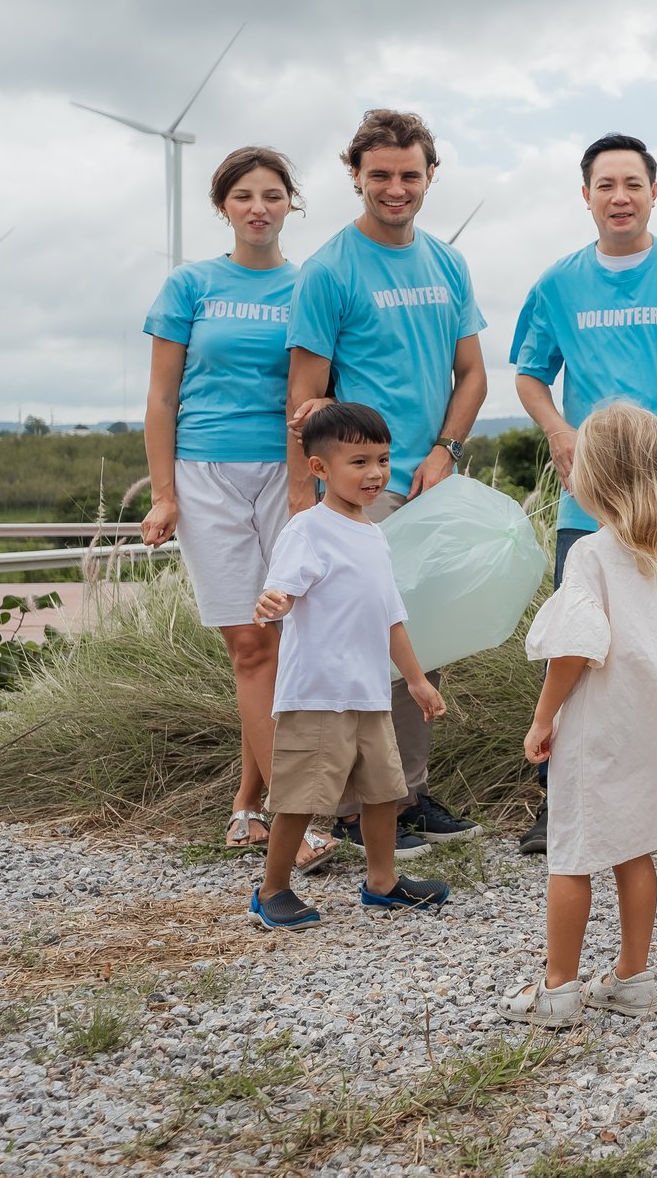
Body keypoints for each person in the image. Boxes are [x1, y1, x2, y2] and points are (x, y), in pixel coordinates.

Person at [510, 132, 657, 855]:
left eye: (632, 183)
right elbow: (529, 373)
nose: (620, 196)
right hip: (588, 501)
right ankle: (561, 800)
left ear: (654, 192)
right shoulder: (557, 282)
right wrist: (557, 430)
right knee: (578, 645)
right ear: (586, 196)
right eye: (605, 184)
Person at [287, 109, 489, 856]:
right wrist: (304, 500)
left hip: (433, 479)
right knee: (364, 645)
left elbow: (472, 375)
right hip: (364, 487)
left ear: (431, 175)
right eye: (380, 175)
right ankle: (352, 808)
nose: (395, 188)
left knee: (419, 643)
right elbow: (303, 400)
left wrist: (446, 450)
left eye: (409, 174)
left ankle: (403, 794)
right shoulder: (329, 270)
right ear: (356, 177)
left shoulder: (447, 263)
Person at [500, 404, 657, 1027]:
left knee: (571, 853)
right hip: (651, 723)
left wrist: (543, 717)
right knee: (635, 849)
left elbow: (575, 646)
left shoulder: (590, 555)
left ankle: (558, 989)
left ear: (591, 478)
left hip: (599, 727)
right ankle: (632, 976)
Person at [139, 146, 332, 872]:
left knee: (285, 646)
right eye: (244, 195)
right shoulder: (190, 284)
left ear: (292, 204)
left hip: (289, 476)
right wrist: (163, 493)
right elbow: (161, 397)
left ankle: (247, 807)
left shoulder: (310, 285)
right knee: (251, 647)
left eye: (273, 195)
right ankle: (295, 814)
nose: (259, 207)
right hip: (205, 474)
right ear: (224, 206)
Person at [249, 403, 451, 930]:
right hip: (318, 693)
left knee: (385, 791)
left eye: (382, 460)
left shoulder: (373, 534)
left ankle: (381, 882)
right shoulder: (307, 530)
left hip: (369, 693)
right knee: (300, 796)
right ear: (320, 469)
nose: (375, 474)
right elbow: (284, 591)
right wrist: (273, 602)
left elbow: (391, 617)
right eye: (358, 462)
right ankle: (272, 889)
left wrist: (415, 679)